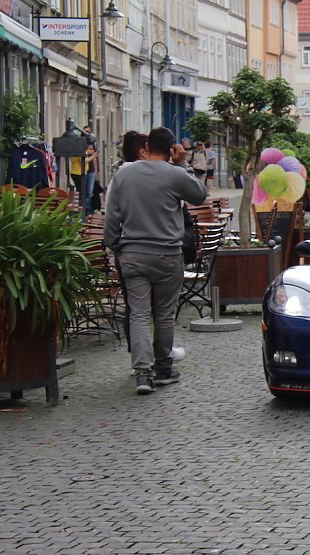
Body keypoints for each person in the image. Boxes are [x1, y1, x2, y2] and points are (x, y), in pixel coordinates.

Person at [104, 127, 207, 396]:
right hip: (167, 255)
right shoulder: (175, 174)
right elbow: (199, 195)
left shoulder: (124, 174)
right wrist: (182, 162)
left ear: (147, 146)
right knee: (163, 314)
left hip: (133, 254)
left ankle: (142, 373)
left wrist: (116, 245)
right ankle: (163, 369)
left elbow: (111, 215)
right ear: (172, 148)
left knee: (138, 313)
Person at [70, 144, 98, 215]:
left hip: (79, 173)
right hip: (78, 173)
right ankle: (81, 209)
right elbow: (84, 160)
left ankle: (82, 208)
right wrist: (93, 156)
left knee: (83, 191)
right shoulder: (79, 152)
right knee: (82, 191)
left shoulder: (77, 151)